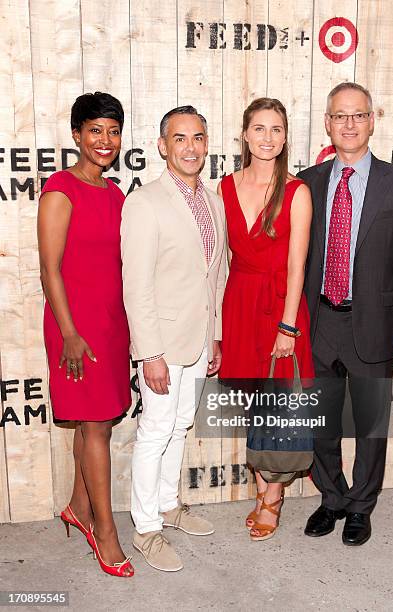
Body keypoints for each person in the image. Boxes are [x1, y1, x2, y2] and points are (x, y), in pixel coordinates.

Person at [298, 82, 393, 546]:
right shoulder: (308, 183)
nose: (348, 124)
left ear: (372, 121)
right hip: (321, 320)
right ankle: (331, 498)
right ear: (328, 124)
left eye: (358, 115)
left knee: (371, 423)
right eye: (339, 116)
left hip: (376, 322)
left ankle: (361, 506)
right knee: (322, 419)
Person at [121, 105, 226, 572]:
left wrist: (216, 336)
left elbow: (216, 275)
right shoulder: (144, 202)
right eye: (179, 138)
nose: (190, 147)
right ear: (163, 146)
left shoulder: (213, 199)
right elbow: (136, 285)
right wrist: (150, 354)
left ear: (206, 145)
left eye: (198, 138)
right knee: (155, 433)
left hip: (199, 338)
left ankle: (168, 505)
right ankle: (145, 528)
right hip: (162, 343)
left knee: (181, 425)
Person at [37, 92, 134, 577]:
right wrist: (70, 333)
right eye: (95, 130)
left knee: (94, 422)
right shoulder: (59, 189)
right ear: (76, 134)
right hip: (75, 326)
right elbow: (50, 270)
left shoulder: (115, 194)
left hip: (111, 323)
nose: (105, 140)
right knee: (95, 425)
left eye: (113, 131)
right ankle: (105, 532)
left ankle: (77, 505)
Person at [218, 97, 314, 541]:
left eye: (276, 129)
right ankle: (263, 493)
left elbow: (298, 267)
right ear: (245, 134)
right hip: (240, 302)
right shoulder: (223, 186)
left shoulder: (296, 191)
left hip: (280, 307)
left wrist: (288, 326)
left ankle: (272, 499)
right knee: (257, 405)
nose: (268, 138)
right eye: (259, 128)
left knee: (281, 405)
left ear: (285, 136)